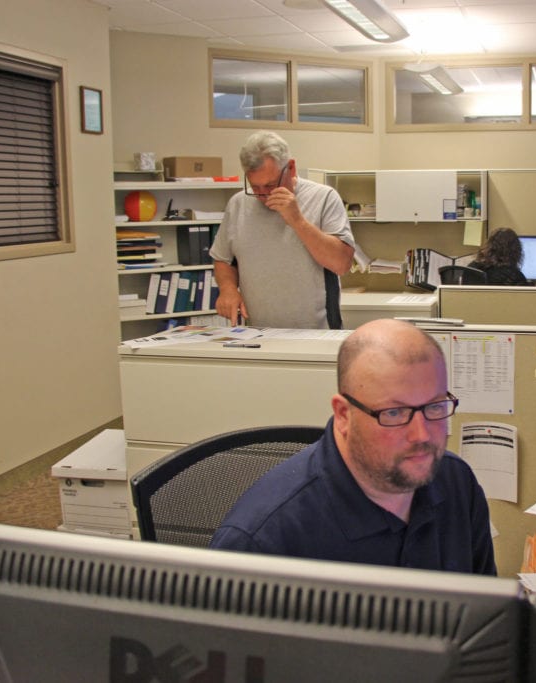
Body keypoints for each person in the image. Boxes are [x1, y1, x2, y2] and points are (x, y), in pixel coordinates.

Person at [209, 319, 497, 576]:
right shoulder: (262, 543)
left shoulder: (457, 483)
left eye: (434, 406)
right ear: (344, 415)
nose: (421, 435)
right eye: (394, 413)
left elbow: (487, 623)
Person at [209, 131, 355, 329]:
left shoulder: (324, 198)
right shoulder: (238, 204)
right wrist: (227, 289)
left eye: (270, 185)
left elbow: (341, 263)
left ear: (291, 168)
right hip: (257, 333)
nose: (263, 195)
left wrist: (297, 221)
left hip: (317, 332)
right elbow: (223, 258)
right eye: (255, 187)